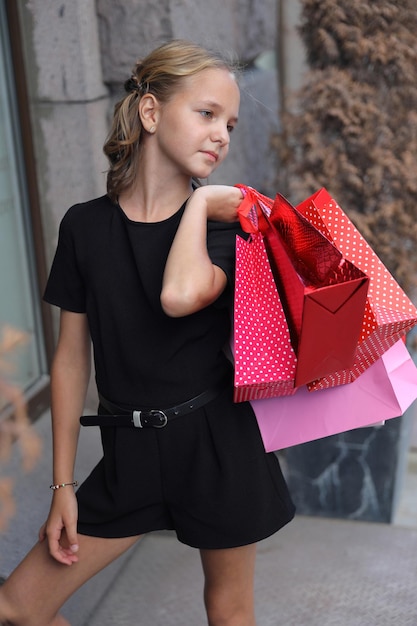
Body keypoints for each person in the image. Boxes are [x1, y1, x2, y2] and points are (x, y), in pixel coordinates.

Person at [0, 39, 295, 626]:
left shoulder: (224, 232)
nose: (222, 136)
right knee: (18, 607)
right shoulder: (84, 226)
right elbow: (68, 360)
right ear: (151, 113)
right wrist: (62, 483)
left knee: (228, 612)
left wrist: (202, 203)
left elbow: (179, 295)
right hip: (128, 451)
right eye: (207, 114)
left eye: (230, 124)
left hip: (218, 446)